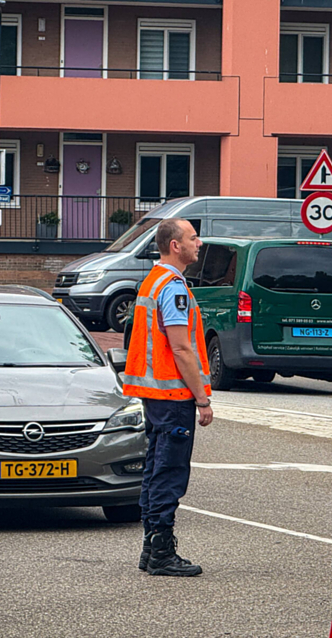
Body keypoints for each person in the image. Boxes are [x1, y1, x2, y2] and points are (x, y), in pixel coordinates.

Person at [122, 218, 213, 577]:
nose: (199, 243)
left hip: (155, 394)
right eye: (193, 238)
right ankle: (161, 550)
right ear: (175, 245)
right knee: (169, 471)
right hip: (173, 395)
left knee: (155, 469)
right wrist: (202, 399)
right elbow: (181, 347)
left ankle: (151, 548)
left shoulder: (153, 280)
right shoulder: (172, 287)